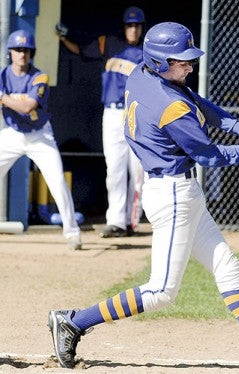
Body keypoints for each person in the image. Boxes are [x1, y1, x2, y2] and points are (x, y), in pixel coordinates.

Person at [48, 22, 239, 374]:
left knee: (227, 266)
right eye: (181, 61)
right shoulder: (170, 107)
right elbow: (210, 156)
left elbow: (197, 101)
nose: (189, 66)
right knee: (160, 292)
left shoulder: (142, 75)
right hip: (172, 194)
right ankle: (75, 321)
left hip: (181, 192)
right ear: (159, 61)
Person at [55, 6, 146, 238]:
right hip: (112, 113)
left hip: (137, 114)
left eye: (136, 25)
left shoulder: (149, 52)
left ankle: (131, 222)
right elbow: (82, 51)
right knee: (114, 169)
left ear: (142, 28)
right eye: (129, 25)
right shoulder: (109, 44)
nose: (133, 29)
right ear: (123, 27)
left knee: (137, 172)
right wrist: (63, 38)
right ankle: (115, 221)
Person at [0, 30, 82, 250]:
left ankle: (72, 232)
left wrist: (2, 97)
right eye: (17, 49)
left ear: (32, 52)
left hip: (39, 136)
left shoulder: (39, 76)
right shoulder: (3, 76)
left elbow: (27, 107)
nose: (22, 54)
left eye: (26, 50)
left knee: (57, 181)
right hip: (13, 133)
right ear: (10, 52)